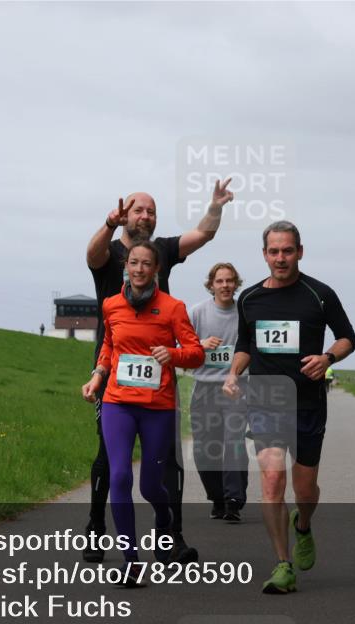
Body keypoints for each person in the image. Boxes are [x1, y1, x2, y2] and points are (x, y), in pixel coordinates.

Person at [83, 180, 234, 564]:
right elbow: (92, 254)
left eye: (151, 211)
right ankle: (97, 530)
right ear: (126, 215)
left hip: (160, 375)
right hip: (114, 368)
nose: (145, 215)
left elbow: (203, 233)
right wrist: (109, 224)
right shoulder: (112, 250)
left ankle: (170, 538)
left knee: (165, 460)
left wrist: (215, 206)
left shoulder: (164, 249)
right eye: (138, 209)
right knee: (109, 459)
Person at [222, 221, 355, 594]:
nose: (280, 258)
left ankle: (303, 525)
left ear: (300, 251)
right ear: (264, 254)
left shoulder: (319, 295)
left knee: (306, 489)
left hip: (308, 404)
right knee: (270, 481)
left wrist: (327, 357)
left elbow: (348, 338)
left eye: (287, 251)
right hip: (265, 402)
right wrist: (234, 374)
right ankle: (283, 565)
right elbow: (245, 345)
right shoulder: (249, 299)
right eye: (273, 251)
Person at [82, 241, 204, 584]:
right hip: (118, 403)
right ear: (126, 266)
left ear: (156, 269)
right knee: (119, 476)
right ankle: (131, 560)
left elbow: (195, 353)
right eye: (133, 263)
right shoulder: (112, 305)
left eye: (145, 264)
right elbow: (108, 346)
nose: (138, 269)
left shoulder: (172, 307)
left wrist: (173, 354)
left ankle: (163, 518)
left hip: (157, 408)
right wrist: (97, 376)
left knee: (152, 486)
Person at [189, 263, 248, 523]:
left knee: (233, 443)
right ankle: (217, 497)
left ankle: (234, 499)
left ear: (236, 284)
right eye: (220, 281)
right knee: (205, 448)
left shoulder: (244, 313)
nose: (225, 285)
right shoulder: (198, 312)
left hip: (236, 387)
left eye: (230, 281)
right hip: (204, 387)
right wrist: (199, 345)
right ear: (211, 284)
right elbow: (181, 345)